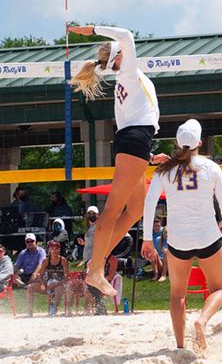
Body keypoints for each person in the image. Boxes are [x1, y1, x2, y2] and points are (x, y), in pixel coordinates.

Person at [70, 24, 167, 296]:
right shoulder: (126, 70)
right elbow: (126, 34)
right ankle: (96, 269)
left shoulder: (127, 79)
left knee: (135, 210)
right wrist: (92, 30)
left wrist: (146, 156)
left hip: (136, 142)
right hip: (134, 140)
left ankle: (96, 263)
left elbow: (129, 125)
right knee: (112, 209)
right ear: (120, 56)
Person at [141, 119, 222, 351]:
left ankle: (181, 346)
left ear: (176, 142)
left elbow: (150, 203)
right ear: (200, 143)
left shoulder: (164, 170)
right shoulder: (211, 167)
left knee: (177, 295)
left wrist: (147, 238)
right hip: (207, 236)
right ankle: (201, 320)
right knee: (219, 289)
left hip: (178, 240)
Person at [27, 241, 69, 317]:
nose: (54, 250)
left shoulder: (63, 260)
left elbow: (67, 277)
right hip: (48, 284)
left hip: (60, 285)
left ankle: (53, 308)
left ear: (59, 249)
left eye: (56, 248)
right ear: (49, 250)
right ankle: (30, 311)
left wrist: (57, 283)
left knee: (58, 288)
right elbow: (40, 275)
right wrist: (44, 284)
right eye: (52, 248)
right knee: (30, 287)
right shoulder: (46, 261)